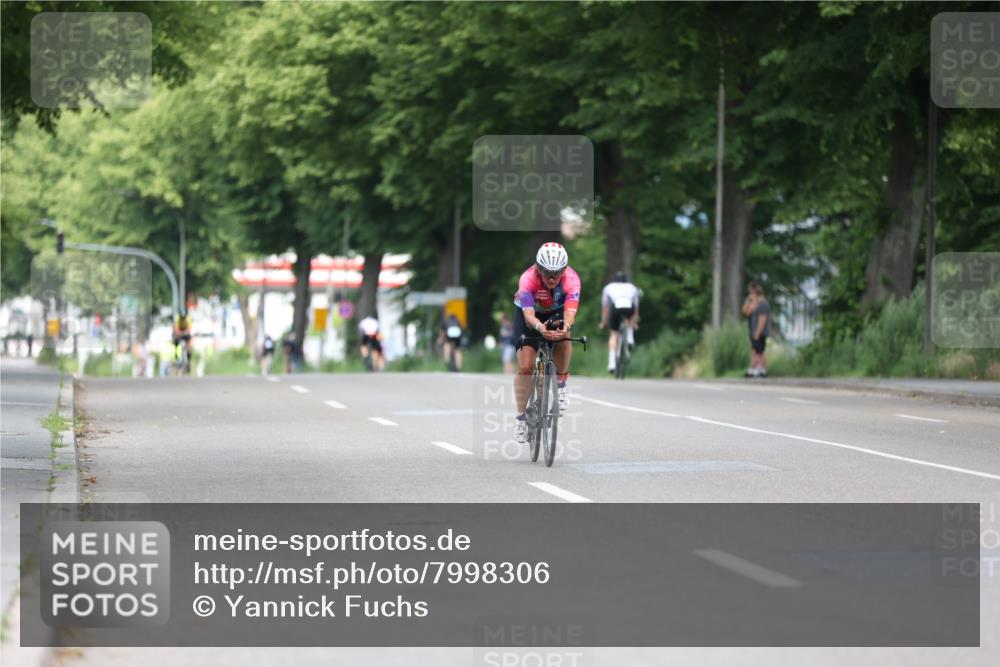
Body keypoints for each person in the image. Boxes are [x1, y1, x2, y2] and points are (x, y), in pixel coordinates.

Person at [512, 242, 580, 444]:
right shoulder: (527, 279)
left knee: (564, 336)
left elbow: (570, 314)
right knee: (525, 366)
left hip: (557, 311)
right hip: (529, 315)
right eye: (547, 272)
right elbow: (529, 316)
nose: (552, 278)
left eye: (557, 273)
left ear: (564, 270)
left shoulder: (572, 279)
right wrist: (541, 328)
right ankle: (521, 419)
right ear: (538, 268)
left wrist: (565, 327)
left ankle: (561, 385)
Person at [599, 271, 640, 373]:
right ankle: (630, 337)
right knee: (629, 319)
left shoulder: (609, 287)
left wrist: (603, 322)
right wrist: (634, 323)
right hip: (629, 306)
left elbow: (605, 308)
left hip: (616, 306)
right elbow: (636, 309)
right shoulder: (632, 287)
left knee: (614, 334)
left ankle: (612, 363)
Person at [742, 281, 771, 377]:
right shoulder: (757, 304)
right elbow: (746, 312)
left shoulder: (762, 304)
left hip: (760, 332)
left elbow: (762, 320)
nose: (750, 295)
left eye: (751, 293)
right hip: (755, 331)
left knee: (760, 351)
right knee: (756, 350)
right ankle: (756, 368)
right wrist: (749, 302)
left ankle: (762, 369)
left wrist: (757, 333)